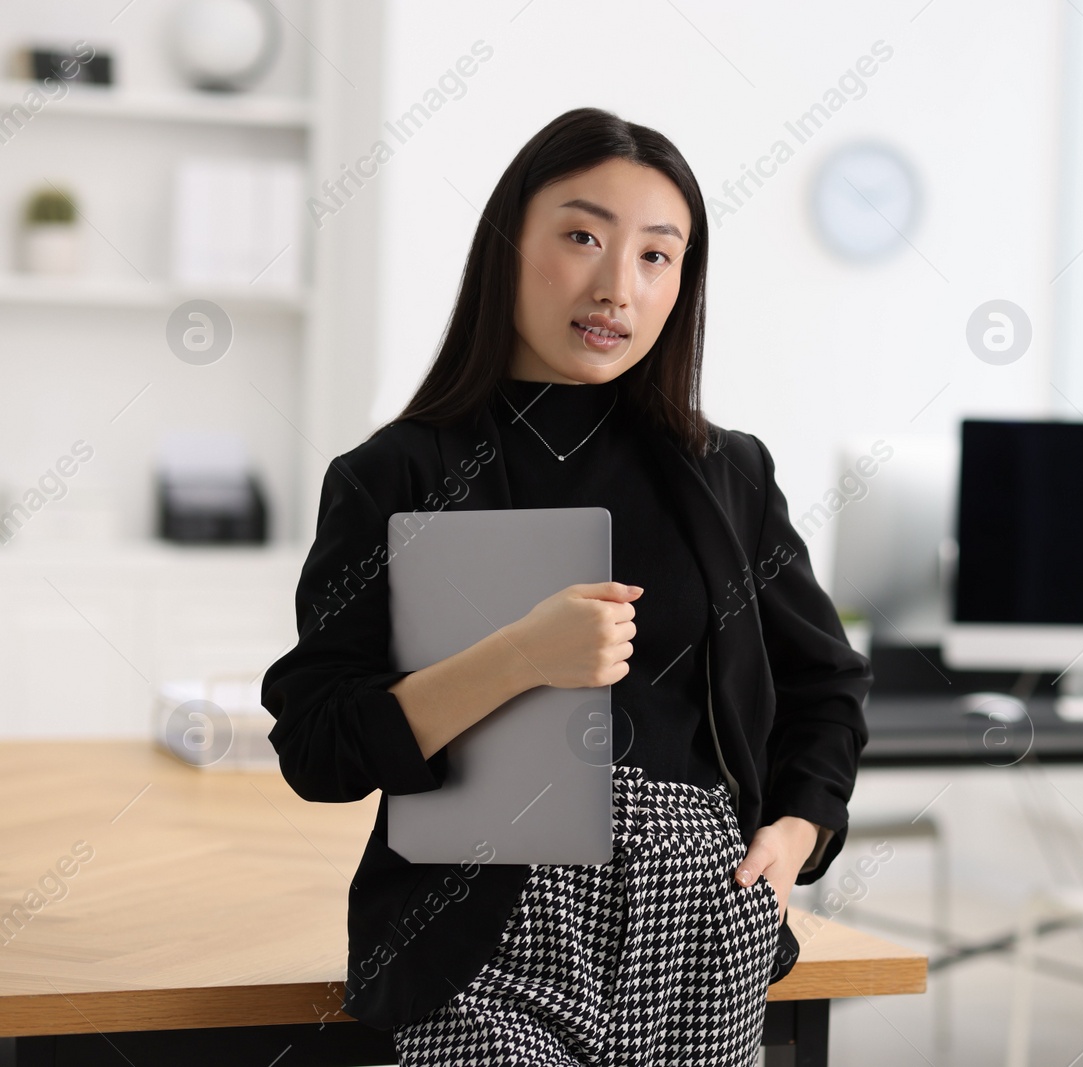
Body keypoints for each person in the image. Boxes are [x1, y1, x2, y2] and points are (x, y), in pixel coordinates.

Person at [259, 107, 873, 1065]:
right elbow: (318, 745)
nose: (615, 286)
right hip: (484, 933)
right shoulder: (396, 474)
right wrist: (518, 658)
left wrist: (799, 830)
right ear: (509, 243)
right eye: (583, 236)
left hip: (701, 932)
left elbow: (825, 686)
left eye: (656, 257)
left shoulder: (731, 476)